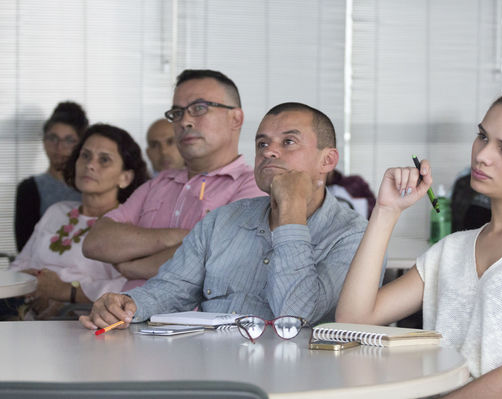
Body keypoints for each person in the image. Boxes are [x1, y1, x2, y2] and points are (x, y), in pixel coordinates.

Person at [336, 87, 502, 398]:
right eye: (483, 136)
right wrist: (386, 211)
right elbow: (354, 319)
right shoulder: (452, 250)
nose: (482, 155)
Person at [79, 102, 367, 330]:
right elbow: (172, 288)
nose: (269, 153)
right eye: (262, 144)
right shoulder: (223, 219)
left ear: (327, 160)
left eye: (288, 142)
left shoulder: (353, 236)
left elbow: (295, 316)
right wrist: (126, 305)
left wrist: (291, 207)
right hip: (206, 369)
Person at [82, 69, 265, 281]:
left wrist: (135, 268)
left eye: (199, 108)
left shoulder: (253, 185)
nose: (184, 122)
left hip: (195, 315)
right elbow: (95, 242)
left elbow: (219, 256)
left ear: (236, 118)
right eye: (177, 113)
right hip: (130, 314)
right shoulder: (160, 182)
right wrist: (181, 238)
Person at [5, 124, 149, 319]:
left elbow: (129, 287)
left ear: (125, 177)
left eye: (104, 160)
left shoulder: (130, 225)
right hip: (29, 314)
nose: (90, 165)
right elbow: (18, 266)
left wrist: (65, 292)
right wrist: (34, 283)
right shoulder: (57, 211)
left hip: (85, 323)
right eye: (85, 155)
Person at [14, 101, 89, 252]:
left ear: (81, 145)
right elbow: (25, 248)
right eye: (53, 138)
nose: (59, 147)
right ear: (43, 140)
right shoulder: (29, 188)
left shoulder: (92, 185)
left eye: (69, 140)